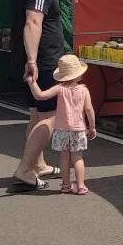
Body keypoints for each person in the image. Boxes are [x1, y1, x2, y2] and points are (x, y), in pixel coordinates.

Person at [10, 0, 71, 188]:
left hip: (31, 61)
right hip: (43, 62)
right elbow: (33, 22)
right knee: (52, 117)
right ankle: (25, 169)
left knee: (36, 115)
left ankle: (38, 164)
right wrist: (33, 61)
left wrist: (28, 60)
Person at [27, 54, 96, 195]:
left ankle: (66, 185)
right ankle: (81, 185)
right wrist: (92, 127)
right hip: (78, 129)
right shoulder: (84, 90)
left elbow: (40, 96)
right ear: (78, 74)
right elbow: (89, 110)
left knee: (64, 158)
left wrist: (31, 82)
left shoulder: (59, 88)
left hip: (61, 130)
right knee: (77, 158)